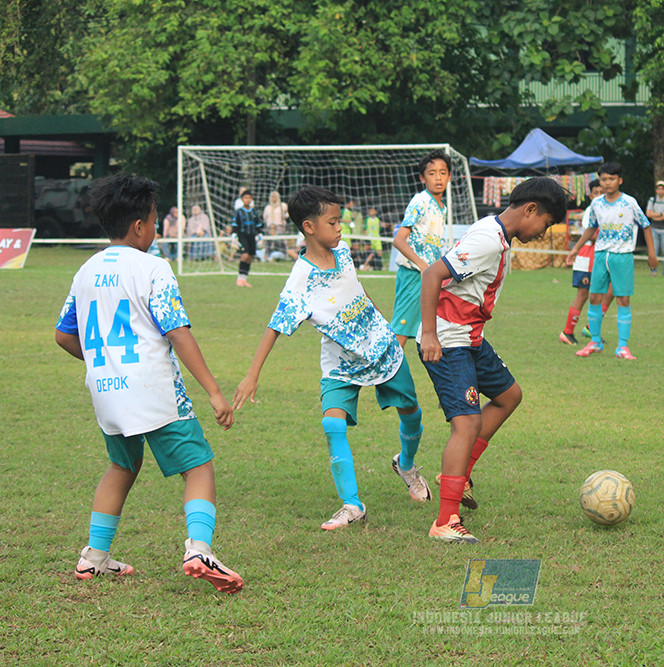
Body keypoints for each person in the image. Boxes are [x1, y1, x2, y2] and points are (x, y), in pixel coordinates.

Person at [54, 173, 243, 594]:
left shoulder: (85, 271)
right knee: (197, 466)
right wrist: (214, 391)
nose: (156, 229)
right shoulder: (153, 267)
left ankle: (94, 558)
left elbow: (64, 335)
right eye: (155, 221)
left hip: (106, 394)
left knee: (123, 464)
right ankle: (199, 549)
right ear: (140, 226)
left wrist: (108, 366)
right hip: (155, 390)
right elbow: (177, 331)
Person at [233, 186, 431, 532]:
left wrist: (379, 316)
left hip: (381, 347)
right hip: (341, 362)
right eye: (333, 221)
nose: (341, 228)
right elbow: (274, 327)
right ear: (309, 227)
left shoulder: (343, 252)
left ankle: (408, 465)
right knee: (332, 424)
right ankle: (352, 504)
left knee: (411, 413)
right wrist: (252, 376)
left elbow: (355, 287)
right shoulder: (300, 281)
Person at [418, 177, 568, 543]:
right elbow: (432, 273)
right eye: (545, 224)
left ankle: (459, 473)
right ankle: (445, 520)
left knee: (509, 396)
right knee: (466, 425)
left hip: (471, 338)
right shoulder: (488, 239)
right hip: (449, 341)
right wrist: (430, 334)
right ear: (530, 210)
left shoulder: (497, 235)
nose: (542, 233)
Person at [566, 162, 657, 360]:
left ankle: (622, 347)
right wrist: (575, 248)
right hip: (600, 256)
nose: (607, 183)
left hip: (622, 257)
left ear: (620, 180)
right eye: (604, 179)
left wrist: (652, 254)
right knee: (594, 298)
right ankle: (595, 341)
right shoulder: (596, 204)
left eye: (611, 179)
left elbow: (646, 226)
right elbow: (590, 228)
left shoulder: (629, 203)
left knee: (623, 300)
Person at [391, 149, 450, 348]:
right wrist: (423, 266)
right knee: (400, 332)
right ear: (422, 178)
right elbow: (399, 240)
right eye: (432, 173)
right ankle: (383, 376)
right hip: (414, 275)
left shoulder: (442, 208)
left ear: (449, 176)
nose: (438, 178)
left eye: (442, 172)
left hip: (429, 277)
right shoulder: (420, 201)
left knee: (433, 331)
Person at [559, 179, 613, 345]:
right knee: (583, 294)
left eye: (601, 192)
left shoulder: (608, 209)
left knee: (611, 291)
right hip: (587, 255)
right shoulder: (591, 210)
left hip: (601, 255)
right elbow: (590, 233)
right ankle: (567, 332)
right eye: (595, 193)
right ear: (590, 195)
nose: (599, 196)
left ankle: (591, 328)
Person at [232, 190, 263, 286]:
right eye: (246, 198)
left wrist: (260, 234)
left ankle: (244, 279)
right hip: (242, 235)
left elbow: (258, 225)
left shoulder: (254, 212)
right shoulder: (239, 212)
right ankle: (239, 278)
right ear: (242, 199)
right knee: (244, 256)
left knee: (250, 257)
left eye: (249, 198)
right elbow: (235, 225)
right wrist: (234, 235)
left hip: (252, 236)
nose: (248, 200)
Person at [645, 179, 664, 276]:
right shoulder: (652, 200)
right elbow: (648, 214)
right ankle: (653, 271)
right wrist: (662, 214)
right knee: (654, 251)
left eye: (662, 189)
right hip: (654, 229)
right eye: (658, 189)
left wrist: (656, 215)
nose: (660, 191)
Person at [262, 190, 290, 261]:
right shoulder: (268, 207)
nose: (273, 199)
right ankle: (267, 255)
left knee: (282, 241)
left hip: (280, 227)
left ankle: (284, 255)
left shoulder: (282, 206)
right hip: (270, 227)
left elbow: (289, 212)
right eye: (272, 197)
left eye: (275, 197)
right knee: (269, 242)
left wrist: (284, 217)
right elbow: (264, 217)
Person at [361, 206, 384, 271]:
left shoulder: (377, 220)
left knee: (379, 253)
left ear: (376, 212)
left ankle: (380, 267)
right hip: (370, 239)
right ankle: (367, 265)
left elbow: (379, 229)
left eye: (372, 211)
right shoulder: (367, 220)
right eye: (370, 211)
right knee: (370, 253)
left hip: (377, 239)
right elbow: (365, 229)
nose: (371, 212)